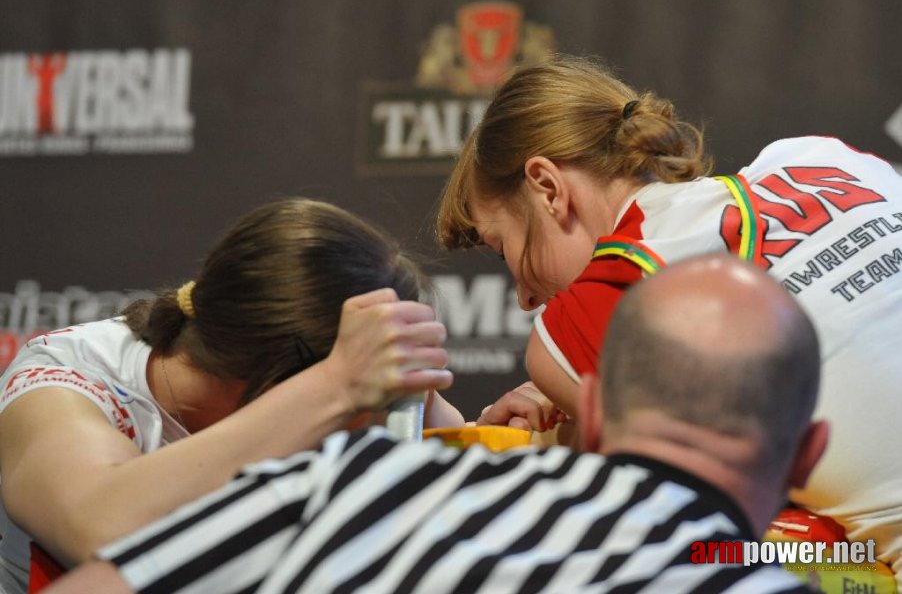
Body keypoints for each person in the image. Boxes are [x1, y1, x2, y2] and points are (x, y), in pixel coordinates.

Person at [43, 254, 822, 593]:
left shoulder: (355, 479)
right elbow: (102, 527)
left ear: (590, 409)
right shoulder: (76, 371)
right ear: (807, 456)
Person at [435, 55, 902, 580]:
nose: (523, 297)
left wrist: (553, 420)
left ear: (547, 187)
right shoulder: (819, 157)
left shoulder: (586, 316)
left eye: (506, 250)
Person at [0, 198, 457, 593]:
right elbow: (102, 528)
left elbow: (463, 491)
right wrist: (337, 387)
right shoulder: (65, 378)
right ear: (281, 379)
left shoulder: (338, 389)